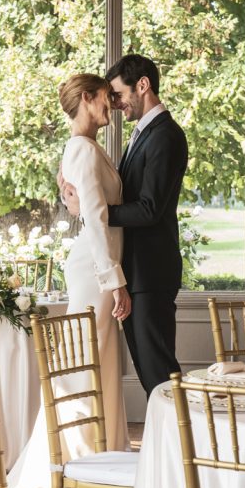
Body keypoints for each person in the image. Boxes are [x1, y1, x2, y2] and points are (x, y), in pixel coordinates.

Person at [0, 73, 130, 488]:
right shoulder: (81, 149)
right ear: (86, 99)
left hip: (98, 269)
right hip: (95, 274)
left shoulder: (87, 148)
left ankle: (100, 467)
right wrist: (116, 281)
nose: (111, 104)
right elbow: (93, 217)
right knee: (79, 373)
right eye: (105, 97)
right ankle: (61, 471)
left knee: (99, 369)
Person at [62, 54, 188, 395]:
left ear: (143, 85)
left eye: (117, 94)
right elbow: (105, 193)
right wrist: (81, 203)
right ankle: (170, 445)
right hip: (135, 272)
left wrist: (92, 212)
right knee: (152, 374)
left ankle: (180, 447)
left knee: (160, 375)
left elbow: (148, 209)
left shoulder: (165, 135)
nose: (114, 103)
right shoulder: (142, 135)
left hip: (151, 272)